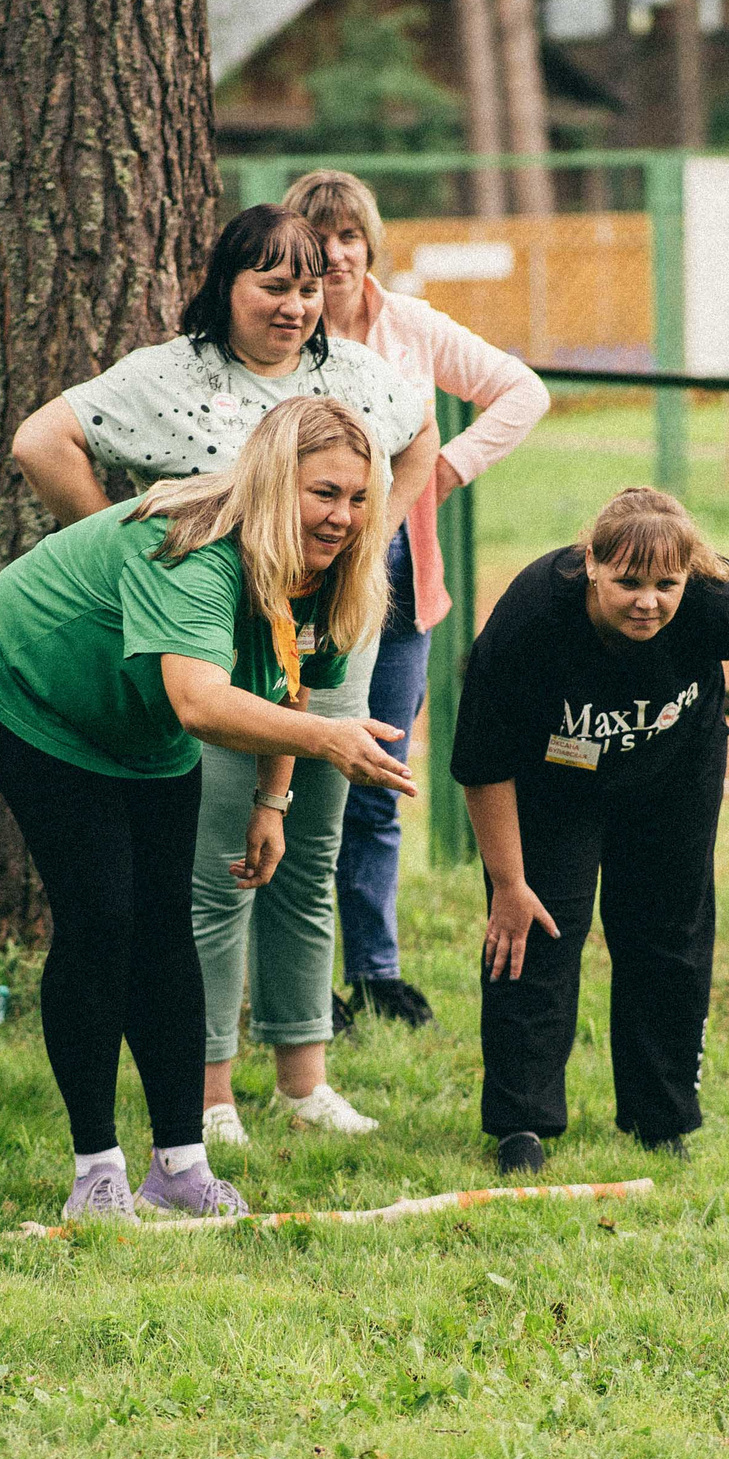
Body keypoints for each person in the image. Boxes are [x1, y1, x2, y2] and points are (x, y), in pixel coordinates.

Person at [12, 206, 438, 1149]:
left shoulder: (356, 374)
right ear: (225, 286)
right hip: (206, 640)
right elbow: (42, 441)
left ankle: (304, 1076)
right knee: (214, 872)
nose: (294, 306)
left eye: (310, 285)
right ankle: (208, 1092)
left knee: (306, 851)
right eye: (272, 285)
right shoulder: (174, 375)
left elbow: (422, 435)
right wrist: (129, 562)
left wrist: (372, 531)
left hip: (327, 627)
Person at [0, 395, 416, 1222]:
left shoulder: (329, 563)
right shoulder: (197, 552)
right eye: (325, 493)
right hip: (46, 687)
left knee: (166, 927)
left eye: (357, 497)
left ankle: (179, 1165)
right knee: (101, 920)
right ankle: (95, 1172)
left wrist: (273, 799)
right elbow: (203, 702)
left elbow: (292, 670)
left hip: (147, 720)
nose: (344, 515)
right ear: (280, 482)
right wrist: (326, 742)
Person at [281, 169, 550, 1033]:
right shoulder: (285, 338)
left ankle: (377, 970)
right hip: (303, 586)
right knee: (293, 779)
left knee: (375, 781)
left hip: (400, 588)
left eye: (348, 239)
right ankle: (297, 978)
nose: (335, 258)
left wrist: (444, 469)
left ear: (370, 245)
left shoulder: (414, 329)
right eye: (317, 246)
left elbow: (523, 391)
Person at [452, 487, 729, 1175]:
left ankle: (661, 1120)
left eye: (667, 583)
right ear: (591, 565)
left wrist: (685, 549)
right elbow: (484, 762)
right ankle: (522, 1125)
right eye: (628, 581)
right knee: (532, 932)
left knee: (669, 933)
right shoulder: (532, 620)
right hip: (554, 781)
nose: (648, 601)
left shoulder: (722, 607)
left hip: (674, 771)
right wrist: (509, 883)